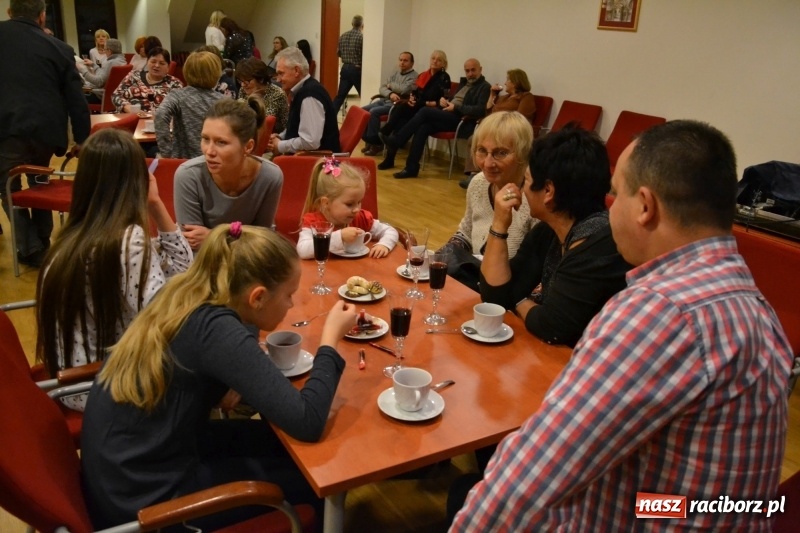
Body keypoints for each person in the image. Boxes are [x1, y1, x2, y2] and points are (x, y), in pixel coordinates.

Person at [451, 120, 794, 532]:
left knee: (472, 491)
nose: (608, 207)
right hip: (710, 513)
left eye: (618, 193)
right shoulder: (758, 306)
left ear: (645, 206)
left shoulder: (658, 314)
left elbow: (527, 484)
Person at [81, 222, 357, 530]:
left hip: (132, 463)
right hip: (146, 500)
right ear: (257, 297)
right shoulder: (215, 330)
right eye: (289, 295)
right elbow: (307, 421)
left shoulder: (187, 291)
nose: (291, 304)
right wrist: (330, 340)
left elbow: (241, 334)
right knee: (315, 479)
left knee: (286, 449)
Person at [35, 128, 192, 411]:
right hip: (103, 386)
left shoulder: (73, 236)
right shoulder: (126, 240)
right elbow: (167, 315)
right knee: (206, 371)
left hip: (69, 381)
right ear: (136, 181)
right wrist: (155, 204)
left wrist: (155, 204)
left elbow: (180, 275)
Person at [479, 124, 630, 346]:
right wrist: (500, 224)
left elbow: (553, 327)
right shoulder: (548, 232)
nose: (522, 190)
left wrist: (518, 300)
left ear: (548, 192)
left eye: (527, 182)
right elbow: (494, 298)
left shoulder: (600, 244)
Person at [0, 0, 90, 268]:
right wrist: (83, 138)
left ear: (9, 12)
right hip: (45, 134)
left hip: (6, 131)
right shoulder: (60, 49)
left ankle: (31, 248)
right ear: (42, 17)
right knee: (40, 182)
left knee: (8, 188)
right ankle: (41, 241)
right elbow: (76, 99)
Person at [444, 112, 537, 292]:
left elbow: (538, 274)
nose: (487, 163)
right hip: (476, 282)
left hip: (511, 293)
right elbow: (465, 232)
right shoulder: (479, 183)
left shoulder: (535, 198)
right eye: (481, 151)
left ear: (522, 153)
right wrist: (440, 258)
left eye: (500, 153)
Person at [174, 98, 283, 250]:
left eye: (221, 142)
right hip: (202, 266)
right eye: (205, 139)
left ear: (248, 147)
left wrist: (212, 236)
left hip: (249, 264)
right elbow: (192, 245)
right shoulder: (188, 175)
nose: (209, 151)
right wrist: (241, 236)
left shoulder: (270, 176)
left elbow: (263, 240)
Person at [381, 58, 491, 179]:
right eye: (467, 71)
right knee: (423, 127)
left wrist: (456, 107)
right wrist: (445, 101)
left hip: (462, 120)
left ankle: (397, 140)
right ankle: (411, 168)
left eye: (473, 70)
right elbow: (453, 99)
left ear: (480, 69)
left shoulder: (484, 87)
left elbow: (479, 110)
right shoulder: (464, 83)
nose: (470, 73)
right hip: (449, 114)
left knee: (424, 112)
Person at [297, 158, 398, 259]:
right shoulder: (314, 222)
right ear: (326, 203)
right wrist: (340, 237)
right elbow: (303, 250)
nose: (356, 209)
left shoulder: (360, 218)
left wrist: (384, 245)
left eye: (359, 202)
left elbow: (391, 231)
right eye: (349, 204)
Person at [460, 68, 537, 188]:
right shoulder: (505, 97)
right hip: (493, 130)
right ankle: (474, 174)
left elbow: (522, 118)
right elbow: (489, 110)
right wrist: (492, 95)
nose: (505, 83)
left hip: (510, 132)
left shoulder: (526, 97)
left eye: (508, 80)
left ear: (516, 81)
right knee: (474, 139)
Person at [267, 47, 340, 154]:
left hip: (314, 163)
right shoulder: (303, 90)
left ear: (296, 71)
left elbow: (310, 142)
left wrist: (279, 145)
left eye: (281, 73)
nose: (278, 79)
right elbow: (298, 127)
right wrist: (280, 136)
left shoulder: (310, 96)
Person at [155, 51, 224, 159]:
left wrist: (166, 153)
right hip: (216, 159)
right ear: (216, 73)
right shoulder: (224, 101)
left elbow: (160, 115)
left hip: (183, 162)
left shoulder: (177, 95)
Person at [378, 50, 451, 151]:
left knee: (403, 117)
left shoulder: (444, 77)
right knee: (400, 108)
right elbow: (415, 92)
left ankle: (393, 140)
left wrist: (423, 103)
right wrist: (412, 98)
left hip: (429, 109)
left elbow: (442, 101)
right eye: (433, 58)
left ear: (444, 64)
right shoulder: (423, 75)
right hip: (418, 105)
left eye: (439, 60)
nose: (435, 61)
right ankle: (389, 138)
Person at [360, 51, 418, 156]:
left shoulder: (414, 76)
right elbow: (382, 88)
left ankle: (376, 144)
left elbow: (405, 89)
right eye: (400, 60)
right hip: (385, 99)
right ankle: (368, 141)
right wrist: (390, 93)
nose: (402, 62)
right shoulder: (395, 73)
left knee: (374, 112)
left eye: (405, 60)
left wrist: (390, 85)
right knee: (362, 110)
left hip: (396, 104)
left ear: (412, 63)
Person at [112, 47, 183, 113]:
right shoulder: (134, 75)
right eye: (153, 62)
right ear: (147, 62)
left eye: (161, 63)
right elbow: (116, 95)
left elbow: (178, 107)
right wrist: (128, 108)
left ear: (168, 66)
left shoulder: (174, 83)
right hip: (129, 118)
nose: (157, 65)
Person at [236, 56, 289, 133]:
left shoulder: (277, 94)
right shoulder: (243, 90)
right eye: (240, 81)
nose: (242, 85)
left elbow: (283, 126)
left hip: (271, 138)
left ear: (261, 79)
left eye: (247, 81)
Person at [77, 37, 127, 104]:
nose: (104, 51)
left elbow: (99, 82)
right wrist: (93, 65)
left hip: (102, 97)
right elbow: (103, 76)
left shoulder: (111, 63)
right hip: (115, 96)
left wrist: (82, 70)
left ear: (109, 51)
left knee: (75, 97)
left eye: (105, 49)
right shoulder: (121, 60)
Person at [331, 14, 364, 114]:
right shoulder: (362, 37)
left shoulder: (343, 36)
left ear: (352, 23)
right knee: (363, 93)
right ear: (362, 25)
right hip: (357, 68)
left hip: (345, 68)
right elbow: (364, 55)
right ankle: (365, 117)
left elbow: (338, 53)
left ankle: (330, 116)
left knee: (340, 96)